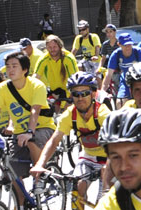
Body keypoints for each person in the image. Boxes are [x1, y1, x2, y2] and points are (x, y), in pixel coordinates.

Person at [0, 52, 52, 210]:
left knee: (31, 140)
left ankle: (39, 177)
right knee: (11, 168)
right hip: (18, 132)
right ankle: (22, 206)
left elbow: (35, 111)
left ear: (25, 69)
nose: (10, 69)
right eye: (8, 66)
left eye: (14, 66)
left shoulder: (36, 85)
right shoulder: (2, 88)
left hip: (42, 127)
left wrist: (30, 132)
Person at [33, 71, 110, 200]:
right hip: (88, 156)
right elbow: (54, 141)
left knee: (103, 200)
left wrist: (110, 165)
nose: (80, 98)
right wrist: (40, 164)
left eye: (85, 93)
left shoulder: (103, 114)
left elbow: (116, 144)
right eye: (76, 94)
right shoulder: (69, 115)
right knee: (77, 189)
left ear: (93, 94)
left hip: (108, 158)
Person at [104, 32, 141, 100]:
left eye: (129, 44)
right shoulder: (116, 54)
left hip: (140, 81)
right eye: (125, 45)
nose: (128, 47)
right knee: (120, 101)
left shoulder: (139, 52)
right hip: (125, 81)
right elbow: (109, 74)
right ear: (119, 44)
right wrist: (103, 90)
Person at [34, 35, 78, 102]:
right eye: (49, 47)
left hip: (68, 92)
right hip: (54, 92)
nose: (52, 50)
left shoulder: (69, 58)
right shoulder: (43, 59)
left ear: (60, 46)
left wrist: (71, 98)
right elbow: (36, 76)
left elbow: (75, 78)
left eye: (55, 47)